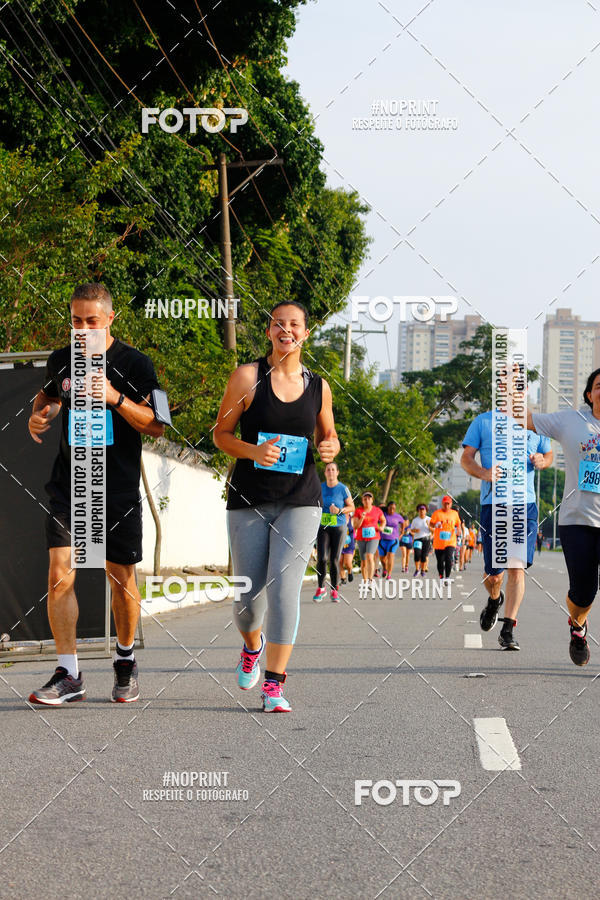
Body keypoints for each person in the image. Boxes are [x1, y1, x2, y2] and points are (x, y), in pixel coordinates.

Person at [28, 283, 166, 705]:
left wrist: (115, 397)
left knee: (120, 579)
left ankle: (124, 661)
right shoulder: (61, 359)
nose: (82, 328)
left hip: (117, 487)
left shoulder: (136, 363)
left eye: (91, 320)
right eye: (75, 321)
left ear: (110, 319)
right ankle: (69, 674)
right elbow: (46, 398)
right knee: (59, 573)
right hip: (70, 484)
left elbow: (158, 424)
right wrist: (41, 414)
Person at [214, 300, 339, 712]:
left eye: (295, 324)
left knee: (285, 590)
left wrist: (330, 447)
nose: (287, 330)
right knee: (248, 603)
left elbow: (330, 435)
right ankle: (253, 645)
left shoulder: (320, 387)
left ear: (306, 333)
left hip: (301, 499)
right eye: (279, 324)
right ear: (269, 331)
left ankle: (274, 684)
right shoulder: (247, 378)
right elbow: (221, 434)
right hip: (249, 498)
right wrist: (254, 451)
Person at [461, 402, 552, 651]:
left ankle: (508, 628)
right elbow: (466, 458)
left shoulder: (535, 423)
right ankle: (494, 599)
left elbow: (549, 454)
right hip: (495, 503)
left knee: (516, 568)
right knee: (494, 575)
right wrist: (483, 473)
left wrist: (542, 460)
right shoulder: (483, 421)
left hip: (525, 505)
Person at [527, 368, 600, 665]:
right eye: (599, 385)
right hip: (577, 520)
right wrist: (510, 390)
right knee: (583, 594)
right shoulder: (572, 420)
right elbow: (527, 419)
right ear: (589, 394)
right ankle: (578, 626)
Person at [313, 462, 354, 602]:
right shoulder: (319, 487)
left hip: (339, 527)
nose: (330, 472)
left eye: (333, 469)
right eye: (328, 470)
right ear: (325, 473)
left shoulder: (343, 489)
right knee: (322, 558)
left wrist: (340, 511)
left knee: (334, 559)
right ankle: (321, 588)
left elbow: (351, 507)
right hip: (323, 526)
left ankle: (335, 589)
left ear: (337, 472)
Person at [352, 492, 386, 583]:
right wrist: (362, 518)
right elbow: (355, 526)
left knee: (370, 556)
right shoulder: (358, 511)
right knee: (363, 561)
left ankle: (370, 579)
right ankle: (365, 581)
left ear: (372, 500)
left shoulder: (377, 510)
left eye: (369, 498)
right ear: (362, 501)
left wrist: (382, 527)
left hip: (374, 537)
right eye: (365, 499)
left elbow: (383, 520)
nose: (367, 500)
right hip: (361, 538)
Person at [429, 496, 461, 580]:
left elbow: (458, 523)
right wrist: (436, 525)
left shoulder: (454, 513)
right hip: (439, 543)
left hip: (450, 541)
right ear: (442, 504)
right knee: (440, 561)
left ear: (450, 504)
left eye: (448, 504)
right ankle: (441, 576)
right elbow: (431, 524)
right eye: (445, 504)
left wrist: (459, 530)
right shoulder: (437, 513)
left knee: (448, 559)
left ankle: (447, 577)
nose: (446, 505)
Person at [378, 500, 404, 579]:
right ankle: (385, 568)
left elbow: (403, 523)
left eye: (394, 508)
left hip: (393, 540)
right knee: (382, 558)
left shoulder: (398, 516)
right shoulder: (383, 515)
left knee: (390, 556)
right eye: (390, 508)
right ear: (387, 507)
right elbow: (376, 522)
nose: (392, 510)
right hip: (382, 540)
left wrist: (402, 532)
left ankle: (389, 574)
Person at [410, 503, 431, 577]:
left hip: (426, 539)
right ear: (418, 511)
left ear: (426, 511)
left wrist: (429, 526)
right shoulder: (415, 520)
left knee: (424, 556)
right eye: (420, 510)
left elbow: (433, 530)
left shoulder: (429, 519)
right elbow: (411, 530)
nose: (422, 511)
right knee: (417, 554)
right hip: (417, 539)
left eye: (423, 510)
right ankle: (417, 569)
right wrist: (415, 530)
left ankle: (422, 570)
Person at [339, 513, 356, 584]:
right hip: (339, 544)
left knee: (347, 563)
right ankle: (343, 578)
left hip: (349, 544)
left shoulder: (352, 519)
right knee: (339, 562)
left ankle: (349, 571)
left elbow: (357, 527)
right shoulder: (338, 518)